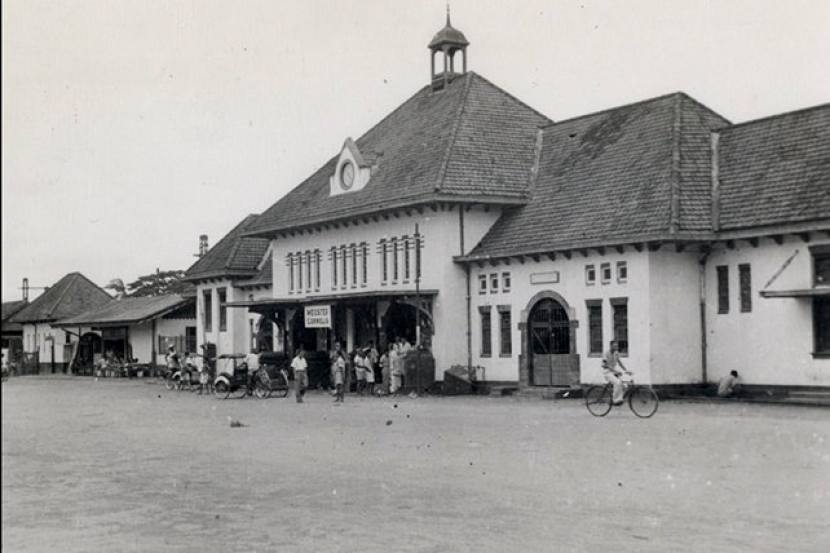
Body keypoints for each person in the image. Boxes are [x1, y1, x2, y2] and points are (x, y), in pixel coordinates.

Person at [602, 340, 631, 405]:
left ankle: (619, 398)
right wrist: (615, 371)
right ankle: (615, 400)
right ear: (611, 346)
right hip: (607, 372)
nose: (616, 347)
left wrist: (626, 370)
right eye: (614, 346)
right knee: (617, 383)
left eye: (617, 346)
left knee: (625, 386)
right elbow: (606, 365)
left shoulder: (616, 353)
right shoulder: (606, 353)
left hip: (613, 371)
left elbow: (619, 362)